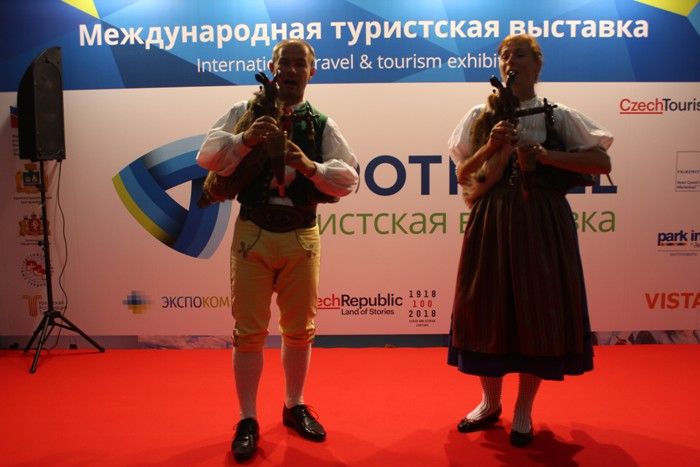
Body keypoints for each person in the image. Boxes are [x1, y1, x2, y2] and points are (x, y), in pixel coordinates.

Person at [196, 39, 359, 461]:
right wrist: (245, 139)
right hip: (252, 232)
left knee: (300, 329)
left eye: (299, 64)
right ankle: (248, 418)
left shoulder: (320, 123)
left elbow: (348, 179)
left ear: (311, 72)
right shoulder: (245, 110)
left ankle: (293, 404)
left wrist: (309, 165)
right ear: (272, 68)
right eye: (284, 63)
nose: (290, 70)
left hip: (301, 236)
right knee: (248, 332)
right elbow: (206, 157)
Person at [446, 33, 613, 447]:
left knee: (537, 313)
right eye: (504, 55)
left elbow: (601, 161)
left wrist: (543, 155)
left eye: (519, 54)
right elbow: (463, 173)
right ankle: (489, 402)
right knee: (486, 308)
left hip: (542, 220)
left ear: (538, 64)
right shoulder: (479, 115)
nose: (510, 61)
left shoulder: (558, 115)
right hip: (492, 219)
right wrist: (490, 148)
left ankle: (524, 409)